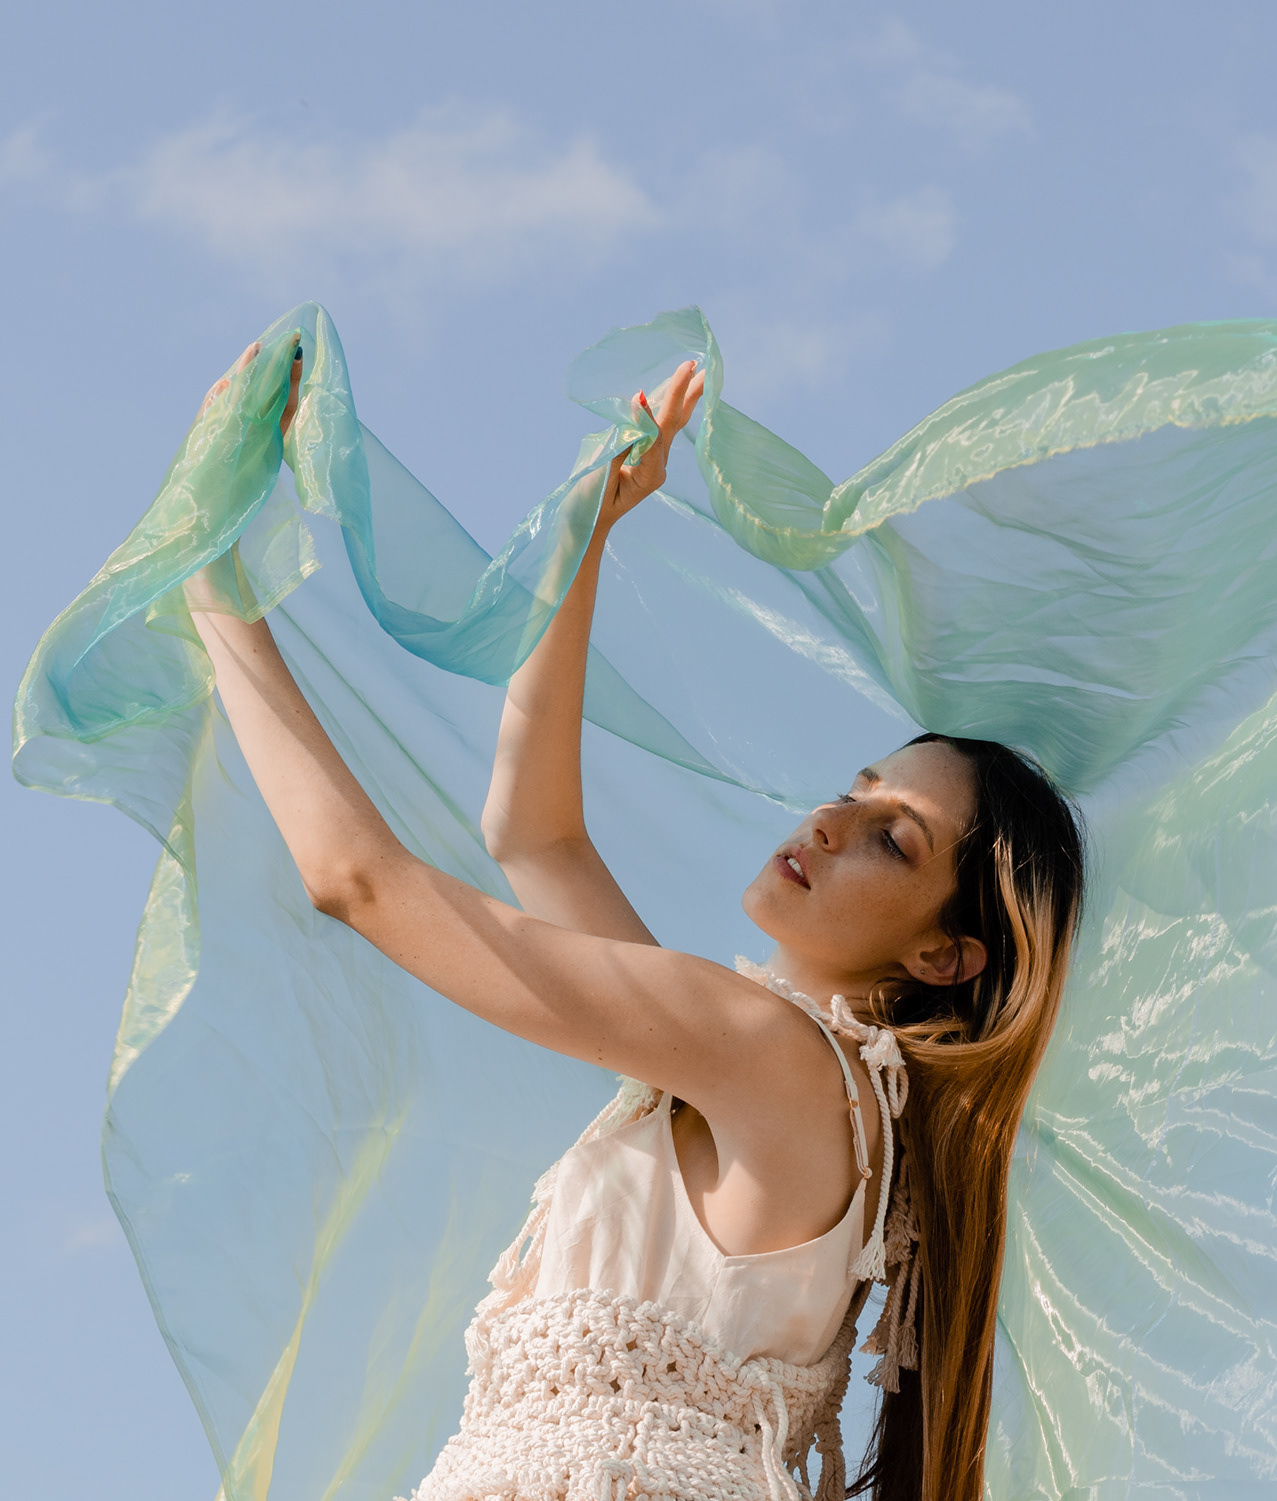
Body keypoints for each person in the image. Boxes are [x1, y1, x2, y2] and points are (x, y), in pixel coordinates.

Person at [185, 342, 1087, 1501]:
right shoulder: (777, 1075)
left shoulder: (771, 1054)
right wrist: (585, 540)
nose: (830, 821)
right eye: (854, 791)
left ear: (943, 955)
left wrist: (213, 585)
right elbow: (534, 838)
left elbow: (356, 878)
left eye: (891, 837)